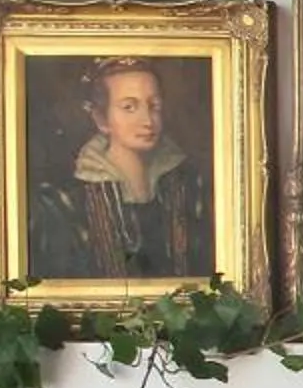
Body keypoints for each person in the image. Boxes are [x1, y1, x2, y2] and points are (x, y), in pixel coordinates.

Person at [27, 56, 212, 283]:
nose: (147, 120)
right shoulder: (64, 202)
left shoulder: (191, 187)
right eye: (129, 107)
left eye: (154, 106)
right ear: (101, 119)